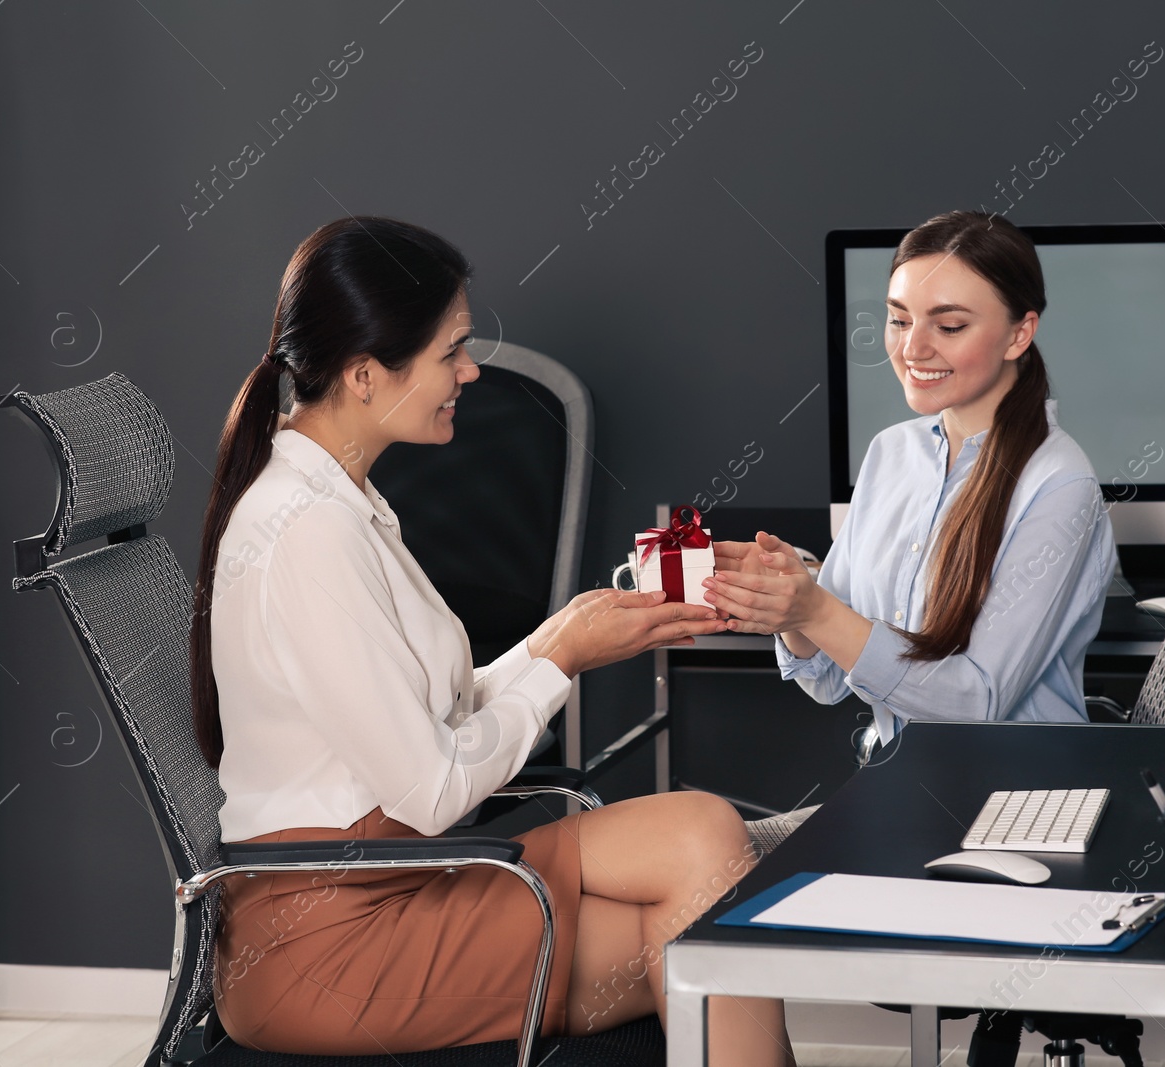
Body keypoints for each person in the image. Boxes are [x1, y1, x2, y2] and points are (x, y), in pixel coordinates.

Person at [190, 216, 794, 1065]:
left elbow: (431, 707)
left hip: (391, 883)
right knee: (705, 927)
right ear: (366, 374)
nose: (469, 371)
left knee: (703, 840)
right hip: (331, 944)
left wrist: (566, 633)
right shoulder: (308, 531)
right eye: (451, 351)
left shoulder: (340, 500)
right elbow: (433, 787)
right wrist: (561, 659)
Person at [710, 211, 1116, 756]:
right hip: (902, 784)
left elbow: (977, 703)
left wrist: (816, 610)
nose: (912, 348)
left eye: (949, 326)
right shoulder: (890, 453)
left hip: (1014, 799)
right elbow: (828, 681)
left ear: (1019, 333)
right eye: (900, 320)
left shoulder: (1061, 484)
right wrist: (790, 604)